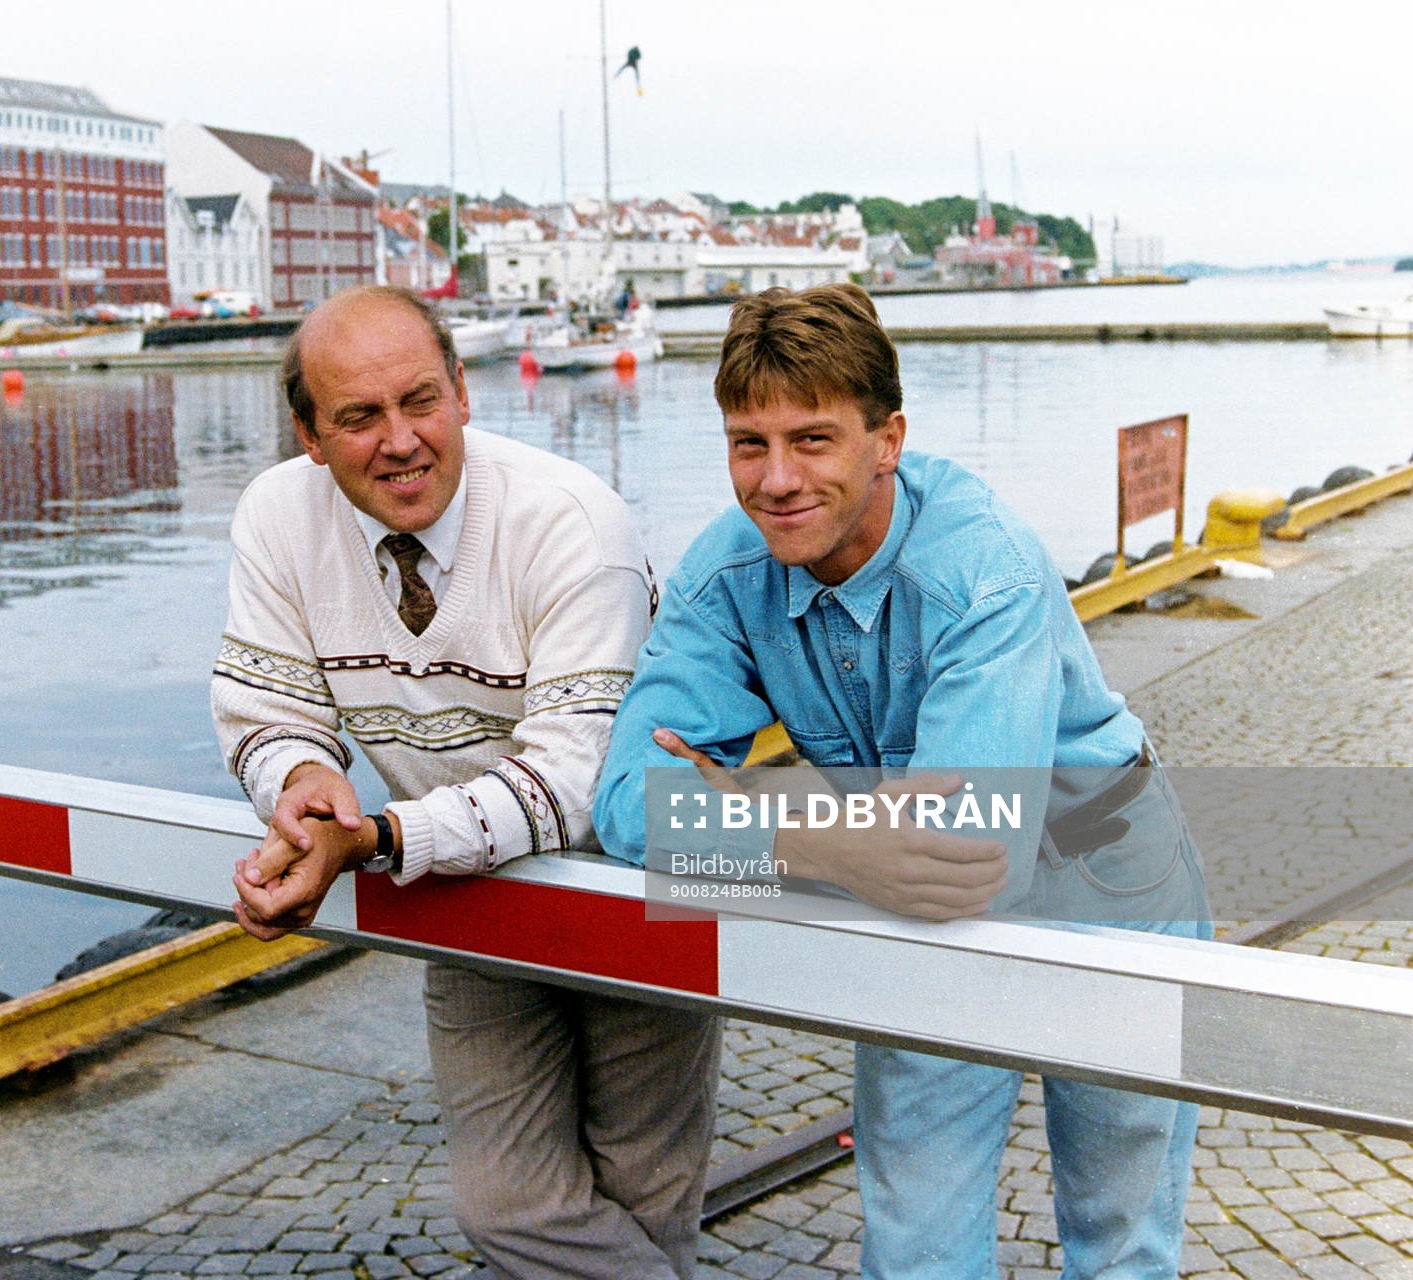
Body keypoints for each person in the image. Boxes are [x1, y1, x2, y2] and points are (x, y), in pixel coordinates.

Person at [594, 283, 1209, 1277]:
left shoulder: (985, 564)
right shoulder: (724, 578)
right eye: (750, 444)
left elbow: (971, 846)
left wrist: (746, 808)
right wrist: (819, 842)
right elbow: (627, 806)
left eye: (813, 439)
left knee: (1121, 1234)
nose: (777, 480)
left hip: (1107, 870)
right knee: (918, 1240)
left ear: (888, 440)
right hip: (899, 890)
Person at [211, 285, 722, 1280]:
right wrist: (303, 785)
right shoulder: (277, 515)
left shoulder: (569, 521)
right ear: (309, 434)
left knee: (646, 1195)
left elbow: (575, 776)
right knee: (507, 1205)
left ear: (462, 391)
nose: (401, 440)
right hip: (470, 889)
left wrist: (382, 839)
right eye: (360, 416)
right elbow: (267, 705)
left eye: (421, 401)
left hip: (636, 884)